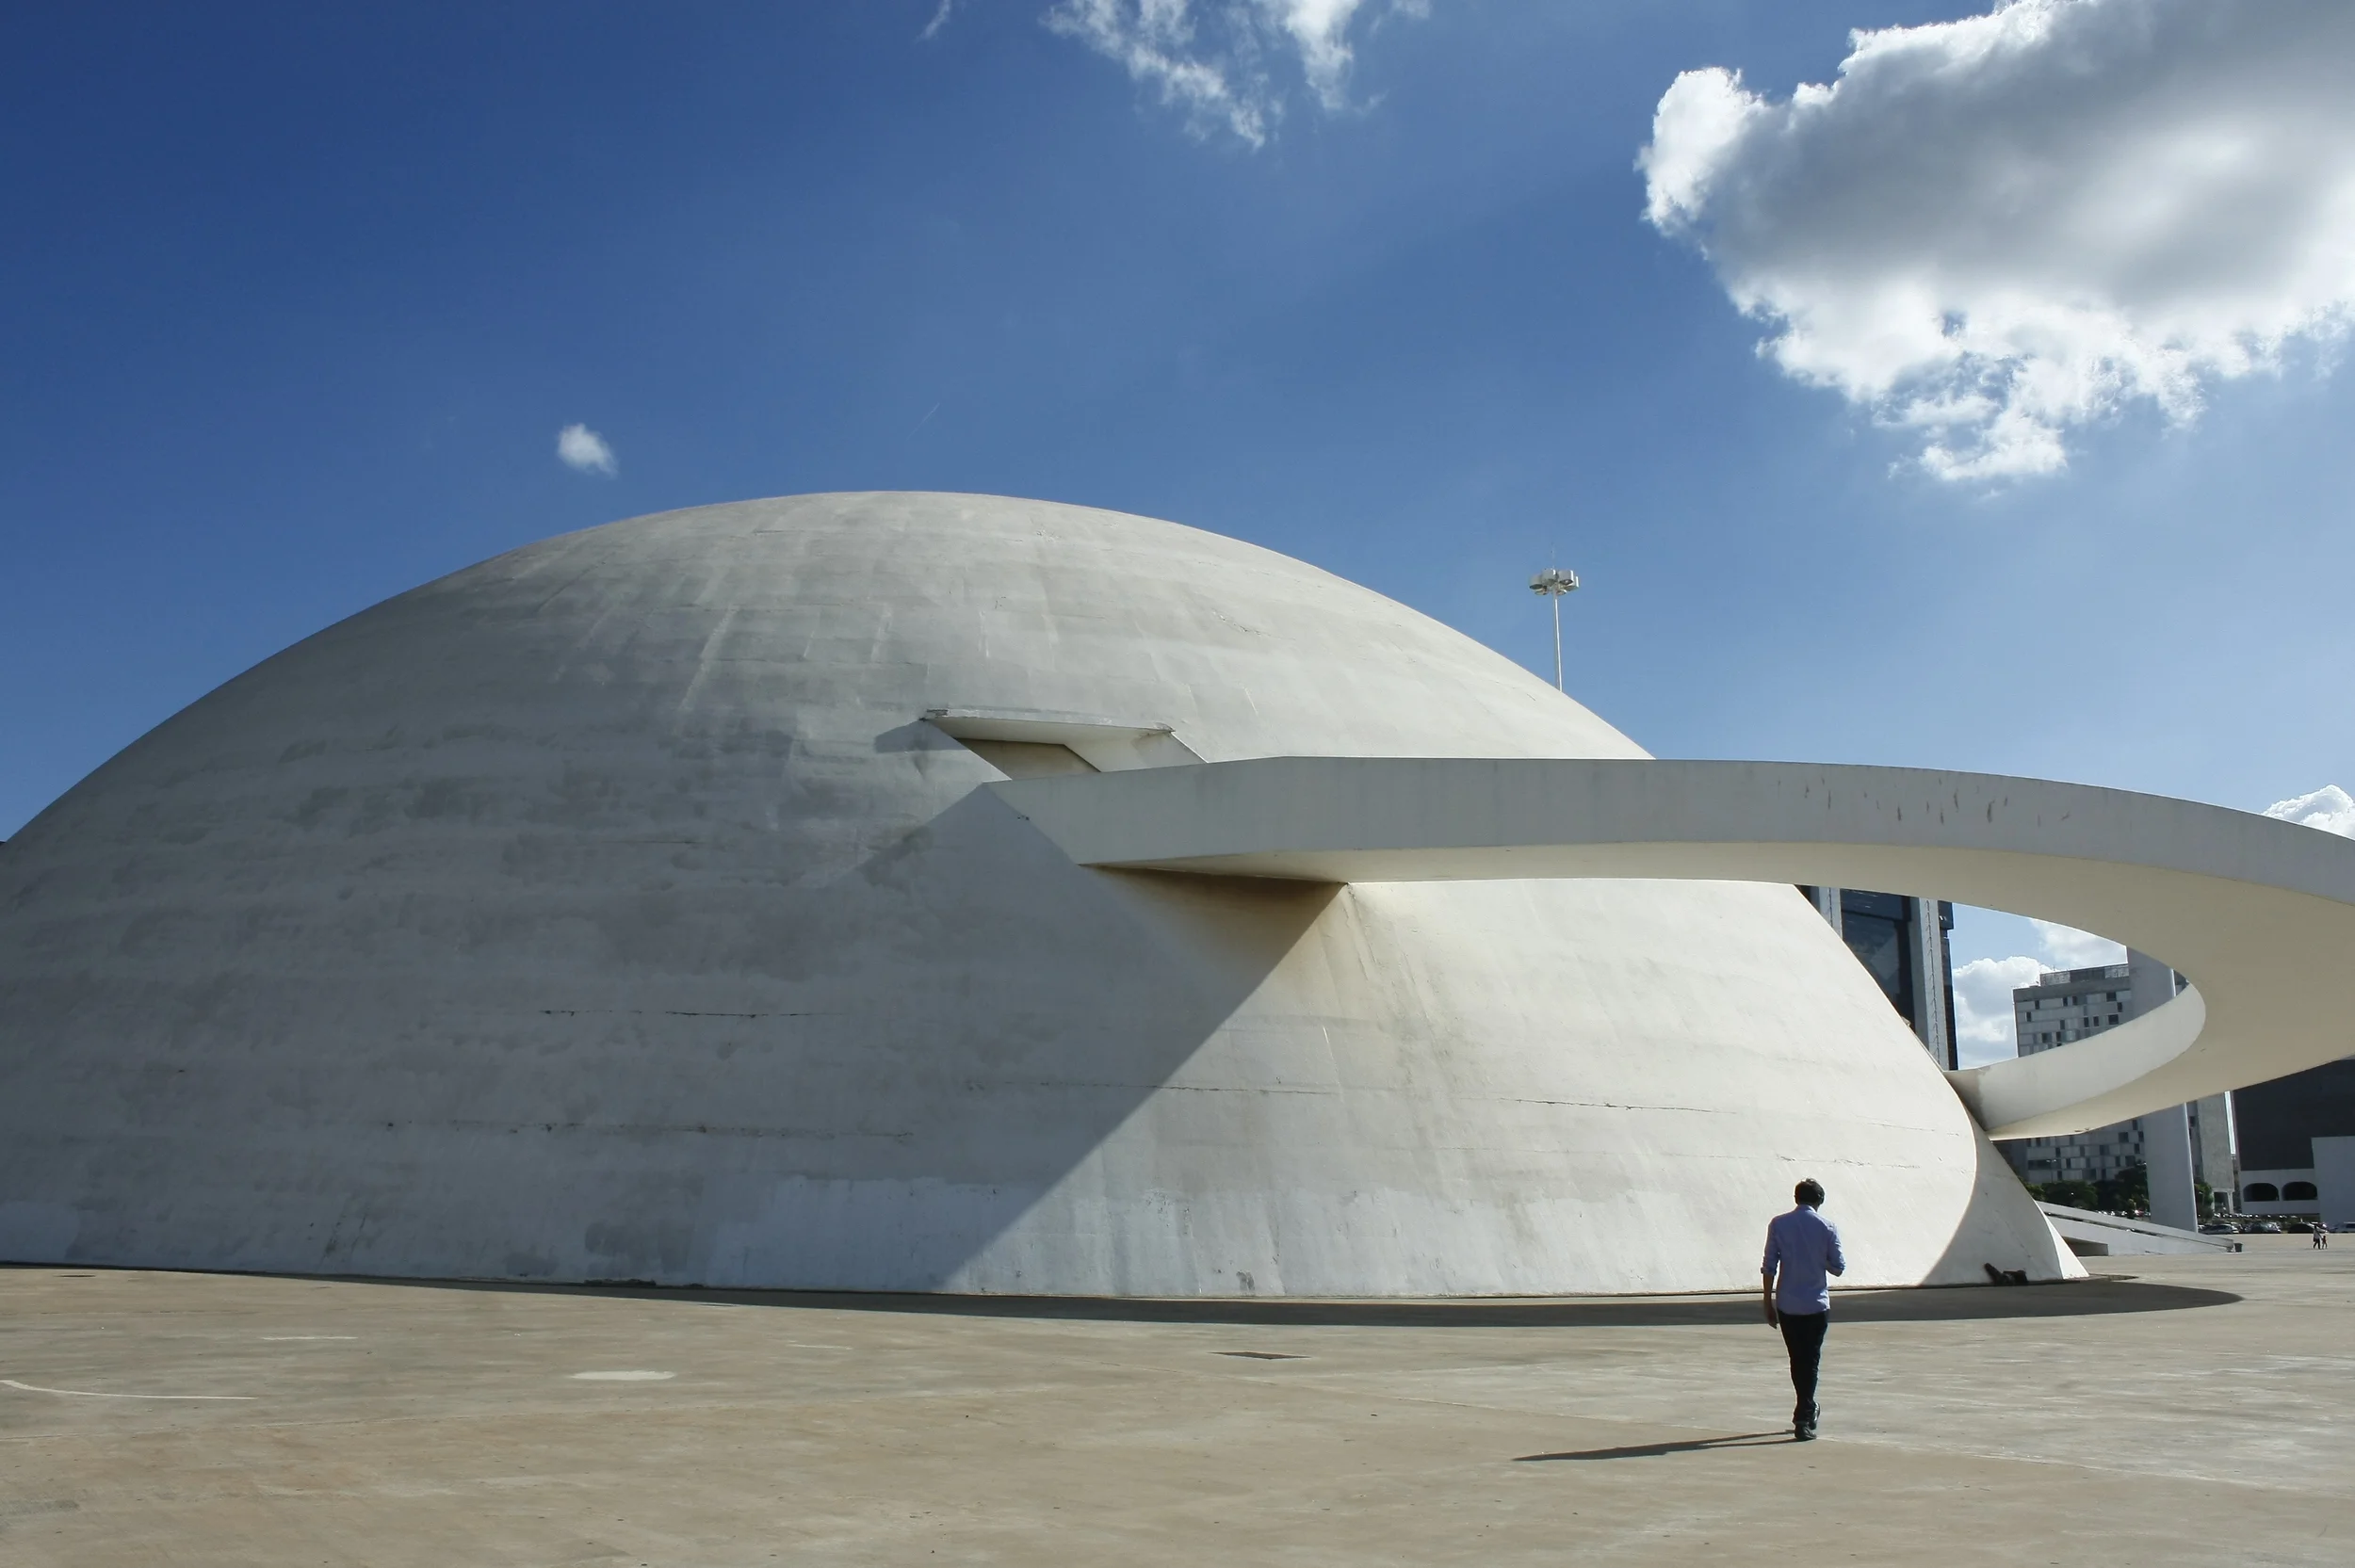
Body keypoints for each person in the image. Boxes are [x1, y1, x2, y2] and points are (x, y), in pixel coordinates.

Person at [1762, 1177, 1845, 1441]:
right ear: (1819, 1201)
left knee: (1797, 1359)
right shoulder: (1827, 1226)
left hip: (1787, 1303)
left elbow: (1769, 1265)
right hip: (1816, 1303)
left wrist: (1767, 1301)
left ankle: (1805, 1409)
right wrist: (1818, 1258)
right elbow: (1838, 1267)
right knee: (1811, 1360)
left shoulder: (1778, 1224)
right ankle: (1804, 1414)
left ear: (1796, 1198)